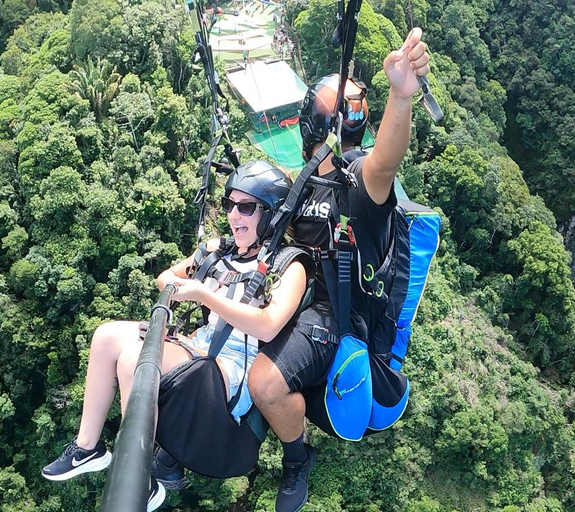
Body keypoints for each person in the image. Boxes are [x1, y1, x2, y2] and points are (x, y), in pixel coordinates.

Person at [41, 161, 310, 511]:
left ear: (272, 214)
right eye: (230, 205)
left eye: (246, 207)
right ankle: (88, 446)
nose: (233, 215)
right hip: (201, 347)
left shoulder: (289, 266)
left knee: (133, 359)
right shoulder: (221, 250)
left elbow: (268, 325)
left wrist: (204, 294)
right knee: (105, 337)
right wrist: (192, 276)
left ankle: (142, 474)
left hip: (234, 367)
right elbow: (167, 277)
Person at [246, 28, 431, 512]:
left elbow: (386, 162)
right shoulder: (299, 189)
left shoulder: (359, 187)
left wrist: (400, 95)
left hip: (334, 318)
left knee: (264, 383)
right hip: (294, 302)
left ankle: (295, 458)